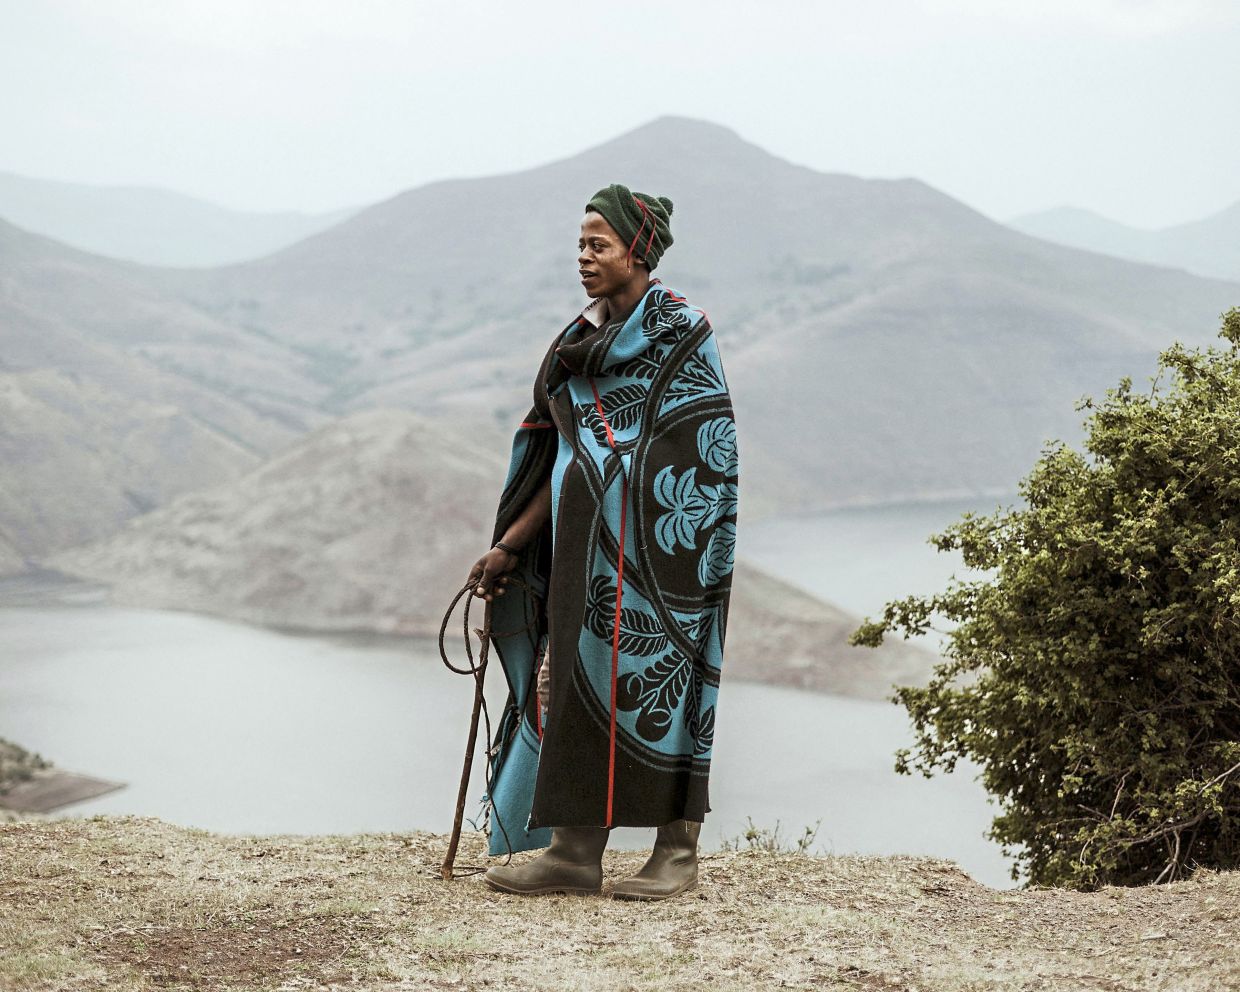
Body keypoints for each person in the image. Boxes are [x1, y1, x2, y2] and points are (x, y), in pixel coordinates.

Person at [465, 183, 738, 900]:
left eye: (599, 245)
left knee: (666, 691)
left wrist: (625, 487)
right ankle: (573, 852)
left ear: (637, 252)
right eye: (580, 245)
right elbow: (562, 457)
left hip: (668, 562)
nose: (584, 258)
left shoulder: (683, 332)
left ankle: (676, 852)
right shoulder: (576, 344)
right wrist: (512, 545)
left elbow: (702, 447)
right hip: (585, 560)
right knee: (575, 692)